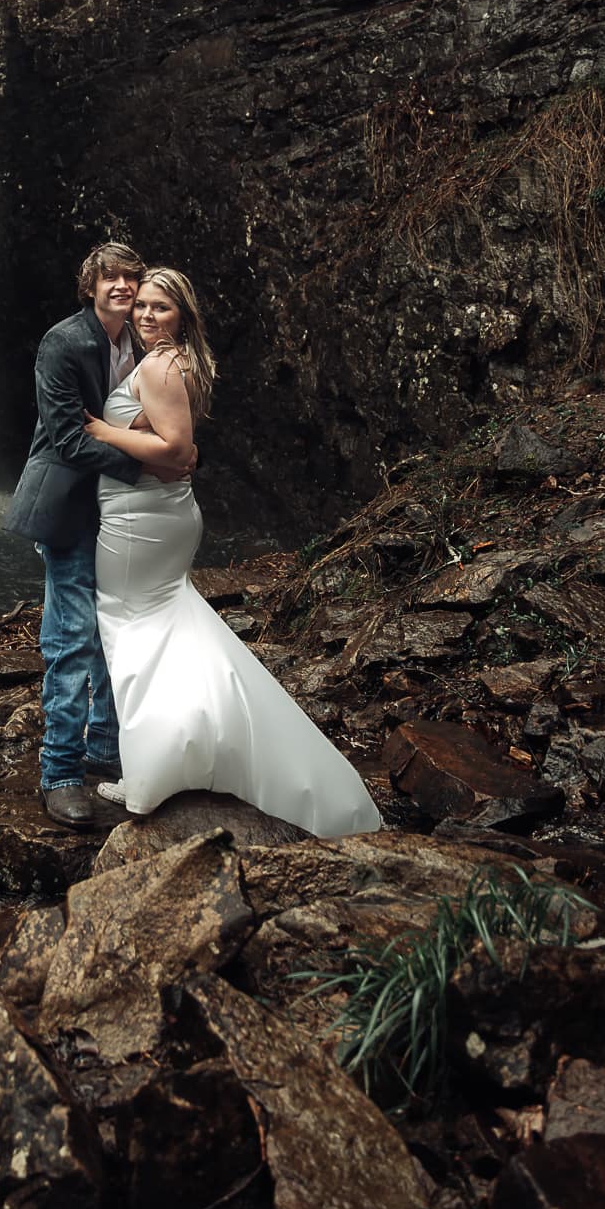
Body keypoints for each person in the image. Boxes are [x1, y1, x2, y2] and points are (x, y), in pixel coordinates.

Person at [84, 266, 381, 836]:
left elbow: (176, 448)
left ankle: (151, 770)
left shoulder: (159, 365)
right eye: (141, 305)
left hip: (141, 523)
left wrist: (99, 430)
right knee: (172, 626)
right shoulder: (181, 362)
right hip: (156, 517)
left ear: (183, 316)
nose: (146, 315)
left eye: (161, 308)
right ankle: (196, 739)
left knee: (129, 630)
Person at [7, 241, 190, 829]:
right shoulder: (64, 342)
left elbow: (166, 418)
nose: (122, 286)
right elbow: (66, 438)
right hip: (69, 505)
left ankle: (105, 751)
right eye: (109, 276)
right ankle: (59, 774)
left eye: (130, 277)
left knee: (115, 631)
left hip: (121, 511)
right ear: (91, 286)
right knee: (72, 638)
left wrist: (173, 453)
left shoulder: (139, 343)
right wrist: (149, 465)